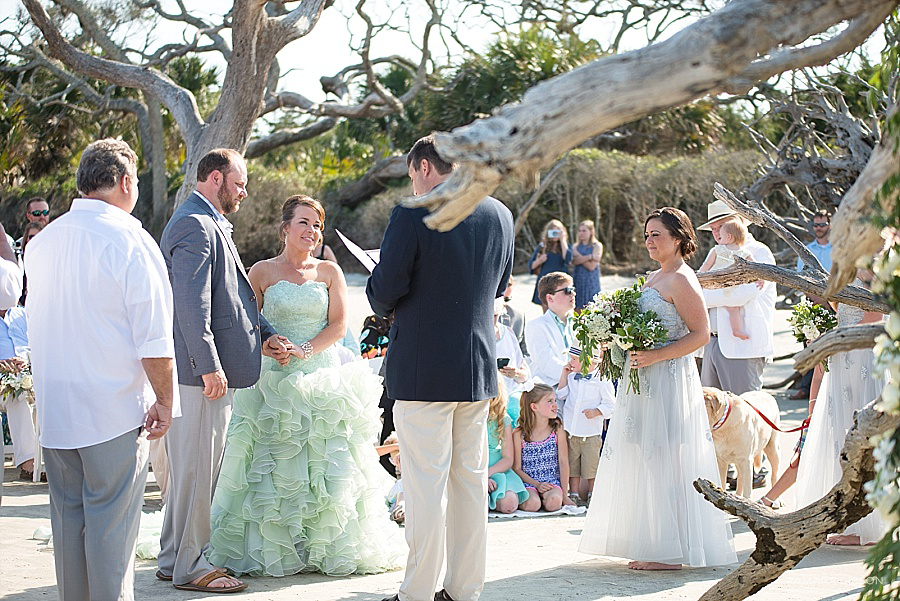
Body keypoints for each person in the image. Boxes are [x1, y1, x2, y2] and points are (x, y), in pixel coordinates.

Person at [208, 194, 404, 576]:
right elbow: (248, 322)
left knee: (326, 466)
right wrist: (270, 344)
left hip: (323, 377)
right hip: (274, 378)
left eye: (317, 225)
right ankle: (275, 545)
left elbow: (337, 325)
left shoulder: (329, 272)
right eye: (304, 223)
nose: (312, 232)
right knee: (274, 465)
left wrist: (306, 349)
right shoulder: (261, 271)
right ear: (285, 228)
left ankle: (323, 546)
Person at [25, 138, 176, 600]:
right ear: (126, 182)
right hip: (111, 408)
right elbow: (153, 337)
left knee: (69, 531)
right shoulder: (130, 238)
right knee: (112, 540)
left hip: (55, 410)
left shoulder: (43, 241)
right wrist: (166, 400)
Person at [367, 134, 514, 601]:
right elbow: (498, 287)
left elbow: (385, 289)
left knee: (424, 487)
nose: (413, 184)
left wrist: (377, 283)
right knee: (470, 484)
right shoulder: (500, 214)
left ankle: (415, 593)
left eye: (413, 174)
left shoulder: (415, 211)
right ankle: (464, 590)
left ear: (425, 167)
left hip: (423, 367)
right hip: (477, 368)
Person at [158, 148, 290, 593]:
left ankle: (173, 557)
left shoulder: (208, 221)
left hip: (204, 371)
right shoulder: (195, 224)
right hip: (199, 376)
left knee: (191, 472)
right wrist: (209, 365)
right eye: (239, 182)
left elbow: (234, 298)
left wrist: (265, 333)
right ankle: (192, 568)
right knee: (197, 473)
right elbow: (190, 306)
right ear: (215, 178)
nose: (244, 190)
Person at [579, 207, 736, 570]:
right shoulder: (654, 277)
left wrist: (656, 356)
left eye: (656, 235)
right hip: (642, 381)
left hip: (667, 379)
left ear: (678, 238)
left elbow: (700, 335)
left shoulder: (682, 279)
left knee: (668, 460)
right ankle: (658, 541)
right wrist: (613, 340)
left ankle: (673, 551)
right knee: (648, 460)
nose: (649, 241)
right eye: (646, 235)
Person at [794, 295, 888, 545]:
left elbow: (875, 319)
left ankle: (870, 526)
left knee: (865, 438)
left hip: (864, 356)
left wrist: (831, 340)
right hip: (843, 359)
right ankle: (849, 520)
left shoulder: (874, 262)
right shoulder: (846, 265)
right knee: (842, 437)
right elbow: (839, 308)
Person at [697, 200, 776, 396]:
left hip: (742, 345)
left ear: (737, 222)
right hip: (711, 342)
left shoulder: (759, 252)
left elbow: (744, 295)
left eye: (720, 226)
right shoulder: (716, 252)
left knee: (744, 411)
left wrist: (707, 295)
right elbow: (698, 286)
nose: (716, 233)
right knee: (712, 414)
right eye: (712, 228)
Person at [557, 350, 615, 504]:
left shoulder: (602, 379)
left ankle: (592, 494)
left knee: (591, 466)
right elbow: (561, 395)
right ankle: (573, 493)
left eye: (575, 358)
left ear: (588, 360)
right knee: (573, 465)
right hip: (572, 431)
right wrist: (563, 375)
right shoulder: (571, 377)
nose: (571, 361)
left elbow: (611, 404)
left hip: (590, 433)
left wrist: (597, 412)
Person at [791, 209, 834, 400]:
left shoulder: (837, 249)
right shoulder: (807, 250)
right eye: (816, 224)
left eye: (822, 224)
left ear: (829, 225)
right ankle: (806, 387)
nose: (818, 228)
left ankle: (829, 384)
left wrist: (829, 301)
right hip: (812, 304)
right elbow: (802, 279)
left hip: (836, 304)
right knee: (809, 345)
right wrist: (817, 300)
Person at [512, 383, 575, 512]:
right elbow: (517, 468)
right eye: (549, 401)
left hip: (552, 481)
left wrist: (564, 495)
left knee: (554, 503)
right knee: (532, 505)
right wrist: (537, 485)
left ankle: (549, 498)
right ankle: (536, 499)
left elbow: (563, 462)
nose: (555, 405)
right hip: (529, 482)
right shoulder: (519, 434)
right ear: (534, 407)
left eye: (555, 400)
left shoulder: (557, 429)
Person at [698, 218, 752, 340]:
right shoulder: (745, 253)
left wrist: (699, 278)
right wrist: (760, 279)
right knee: (734, 309)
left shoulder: (717, 250)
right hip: (731, 286)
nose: (717, 236)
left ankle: (702, 329)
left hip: (713, 282)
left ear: (728, 236)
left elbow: (706, 266)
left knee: (704, 306)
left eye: (721, 236)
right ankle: (736, 330)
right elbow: (756, 268)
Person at [525, 272, 576, 386]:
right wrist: (577, 376)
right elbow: (547, 363)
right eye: (567, 290)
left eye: (573, 289)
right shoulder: (536, 326)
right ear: (550, 298)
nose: (573, 294)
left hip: (579, 387)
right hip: (550, 391)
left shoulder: (580, 323)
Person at [487, 383, 529, 514]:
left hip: (496, 468)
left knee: (509, 504)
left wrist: (488, 473)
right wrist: (480, 477)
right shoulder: (466, 417)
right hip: (471, 469)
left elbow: (508, 458)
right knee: (476, 508)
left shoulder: (503, 419)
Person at [528, 219, 571, 307]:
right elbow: (531, 266)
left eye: (557, 231)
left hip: (561, 282)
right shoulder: (543, 246)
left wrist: (563, 240)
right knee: (546, 310)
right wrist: (540, 260)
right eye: (553, 231)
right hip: (546, 282)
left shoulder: (565, 245)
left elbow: (568, 259)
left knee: (561, 310)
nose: (555, 234)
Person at [494, 298, 531, 395]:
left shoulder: (508, 332)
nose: (492, 320)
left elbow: (525, 376)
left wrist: (516, 373)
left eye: (495, 315)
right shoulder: (473, 336)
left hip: (510, 398)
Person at [571, 220, 603, 310]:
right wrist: (590, 256)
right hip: (578, 279)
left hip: (591, 281)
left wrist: (578, 256)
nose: (581, 233)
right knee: (577, 308)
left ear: (591, 231)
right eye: (580, 230)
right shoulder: (575, 246)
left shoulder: (597, 245)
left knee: (591, 308)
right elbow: (574, 262)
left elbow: (591, 267)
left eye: (584, 231)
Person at [498, 276, 527, 356]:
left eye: (506, 299)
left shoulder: (518, 316)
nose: (502, 304)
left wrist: (520, 368)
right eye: (498, 299)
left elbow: (525, 353)